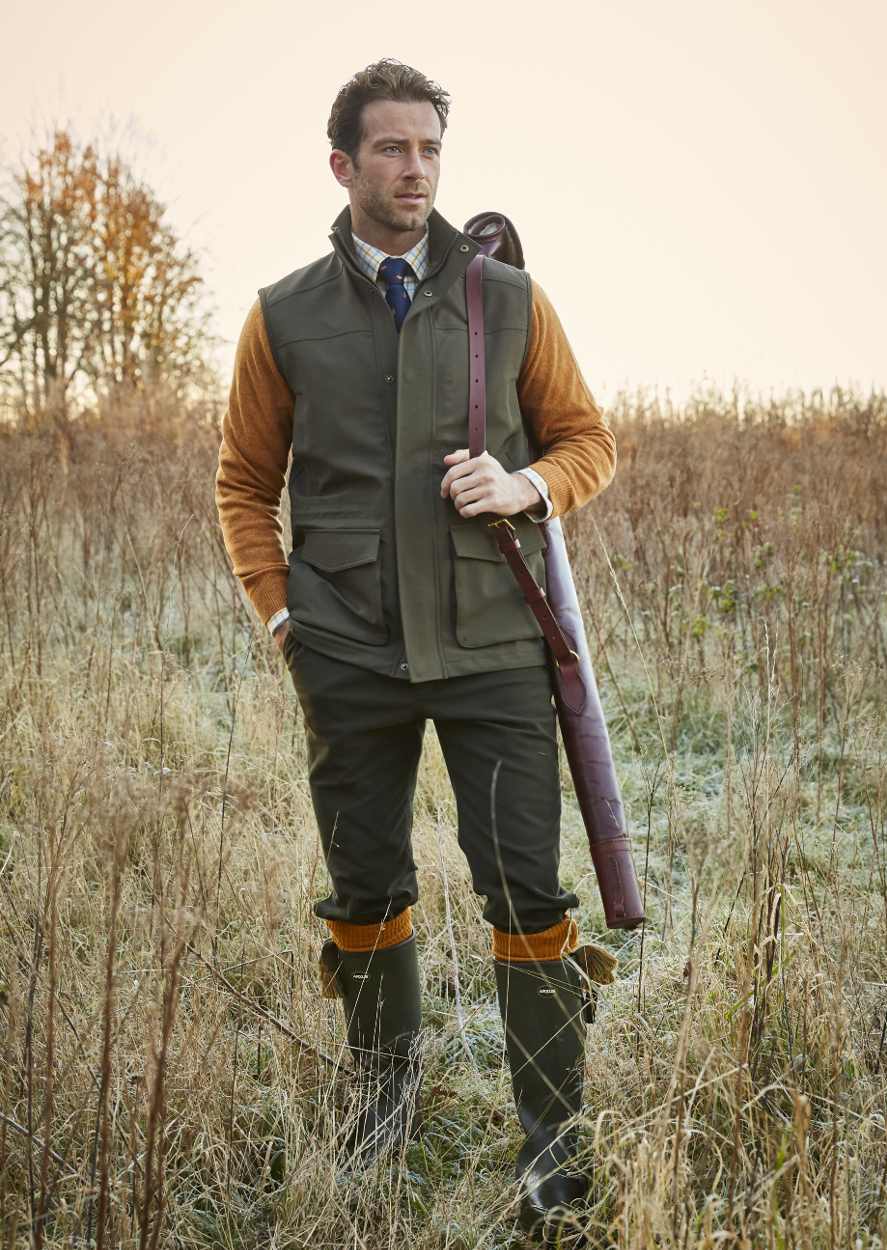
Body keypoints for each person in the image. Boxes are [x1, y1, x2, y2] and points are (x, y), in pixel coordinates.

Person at [214, 57, 616, 1243]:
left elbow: (588, 439)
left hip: (495, 648)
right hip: (345, 651)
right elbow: (242, 482)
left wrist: (526, 481)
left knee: (530, 894)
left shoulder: (508, 298)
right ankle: (379, 1120)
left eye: (430, 147)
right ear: (342, 165)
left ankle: (554, 1149)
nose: (414, 169)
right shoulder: (282, 313)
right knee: (365, 889)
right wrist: (282, 615)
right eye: (390, 149)